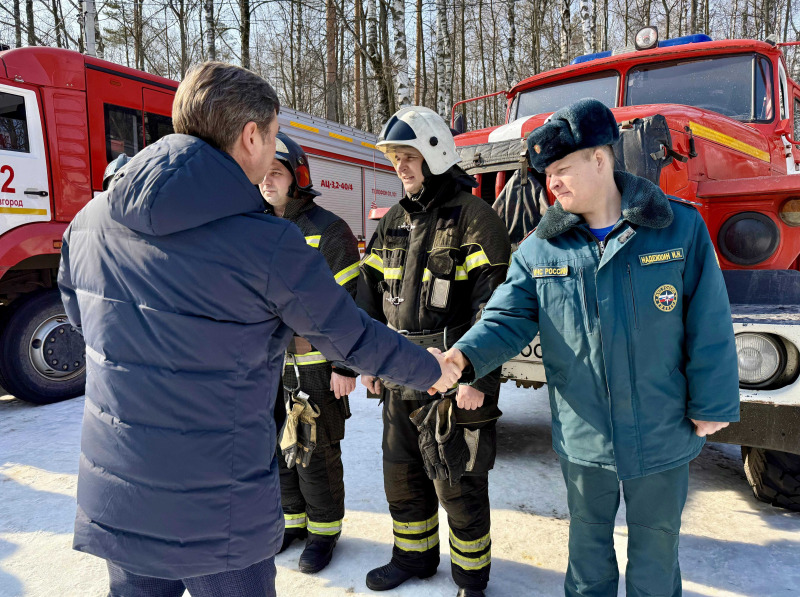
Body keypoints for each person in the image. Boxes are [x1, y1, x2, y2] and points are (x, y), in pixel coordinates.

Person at [57, 62, 461, 597]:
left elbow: (80, 314)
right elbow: (350, 337)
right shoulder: (266, 244)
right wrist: (431, 369)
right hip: (215, 506)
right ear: (250, 136)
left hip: (120, 492)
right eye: (272, 138)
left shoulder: (88, 220)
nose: (274, 154)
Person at [443, 98, 740, 596]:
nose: (551, 183)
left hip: (661, 429)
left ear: (599, 159)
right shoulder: (542, 247)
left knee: (656, 553)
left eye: (560, 169)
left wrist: (711, 404)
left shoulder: (677, 228)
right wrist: (462, 357)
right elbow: (507, 316)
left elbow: (709, 322)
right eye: (546, 175)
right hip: (585, 438)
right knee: (587, 556)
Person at [356, 106, 511, 597]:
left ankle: (470, 579)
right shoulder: (393, 221)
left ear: (435, 155)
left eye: (409, 156)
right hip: (399, 376)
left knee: (458, 483)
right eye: (395, 158)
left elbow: (497, 310)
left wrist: (479, 381)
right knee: (402, 477)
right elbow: (369, 294)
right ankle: (413, 558)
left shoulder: (476, 219)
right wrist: (367, 362)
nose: (400, 166)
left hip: (453, 381)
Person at [259, 131, 361, 573]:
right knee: (279, 449)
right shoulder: (255, 227)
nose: (267, 181)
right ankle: (293, 523)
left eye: (276, 172)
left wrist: (343, 362)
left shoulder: (328, 230)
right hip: (270, 367)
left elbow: (348, 303)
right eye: (261, 173)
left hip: (317, 367)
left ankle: (324, 533)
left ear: (296, 177)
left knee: (316, 453)